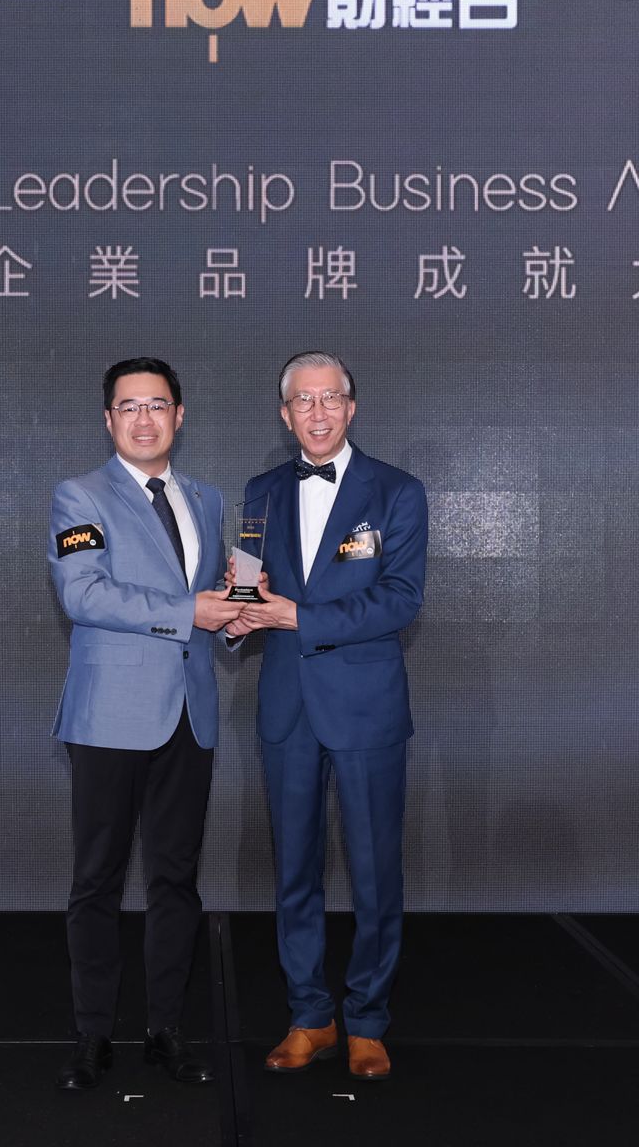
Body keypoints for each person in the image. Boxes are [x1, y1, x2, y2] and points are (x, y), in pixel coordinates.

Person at [226, 350, 427, 1082]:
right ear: (285, 415)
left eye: (330, 398)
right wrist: (235, 619)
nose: (317, 412)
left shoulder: (397, 491)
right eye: (303, 401)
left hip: (366, 708)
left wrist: (298, 618)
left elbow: (401, 598)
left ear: (351, 407)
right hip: (287, 706)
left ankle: (368, 1019)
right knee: (294, 871)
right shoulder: (261, 491)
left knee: (374, 872)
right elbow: (249, 584)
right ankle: (310, 1014)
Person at [47, 357, 238, 1092]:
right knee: (96, 881)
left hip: (190, 714)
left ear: (179, 416)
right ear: (108, 420)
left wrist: (236, 617)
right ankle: (92, 1035)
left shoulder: (207, 499)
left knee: (176, 882)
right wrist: (192, 611)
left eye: (157, 405)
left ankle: (166, 1031)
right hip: (108, 716)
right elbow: (84, 594)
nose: (144, 419)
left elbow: (210, 600)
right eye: (128, 407)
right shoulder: (80, 495)